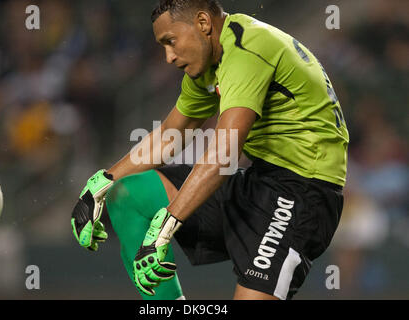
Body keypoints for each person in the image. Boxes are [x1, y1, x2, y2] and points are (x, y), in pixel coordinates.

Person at [71, 0, 349, 300]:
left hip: (303, 195)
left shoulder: (247, 50)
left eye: (171, 41)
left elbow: (223, 155)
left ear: (203, 23)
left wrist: (164, 227)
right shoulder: (210, 64)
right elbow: (170, 135)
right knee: (128, 194)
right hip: (259, 182)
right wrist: (100, 184)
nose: (168, 56)